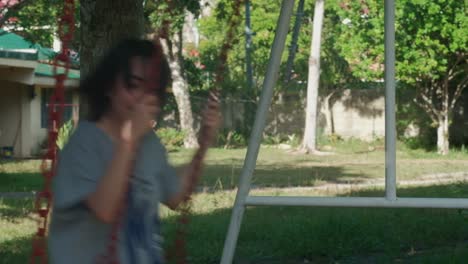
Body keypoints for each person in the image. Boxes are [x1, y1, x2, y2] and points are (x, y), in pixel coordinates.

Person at [48, 38, 220, 264]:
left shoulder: (149, 144)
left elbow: (176, 197)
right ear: (109, 86)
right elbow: (105, 209)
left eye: (153, 91)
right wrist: (128, 140)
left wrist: (205, 142)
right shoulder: (84, 144)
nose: (143, 98)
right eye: (133, 85)